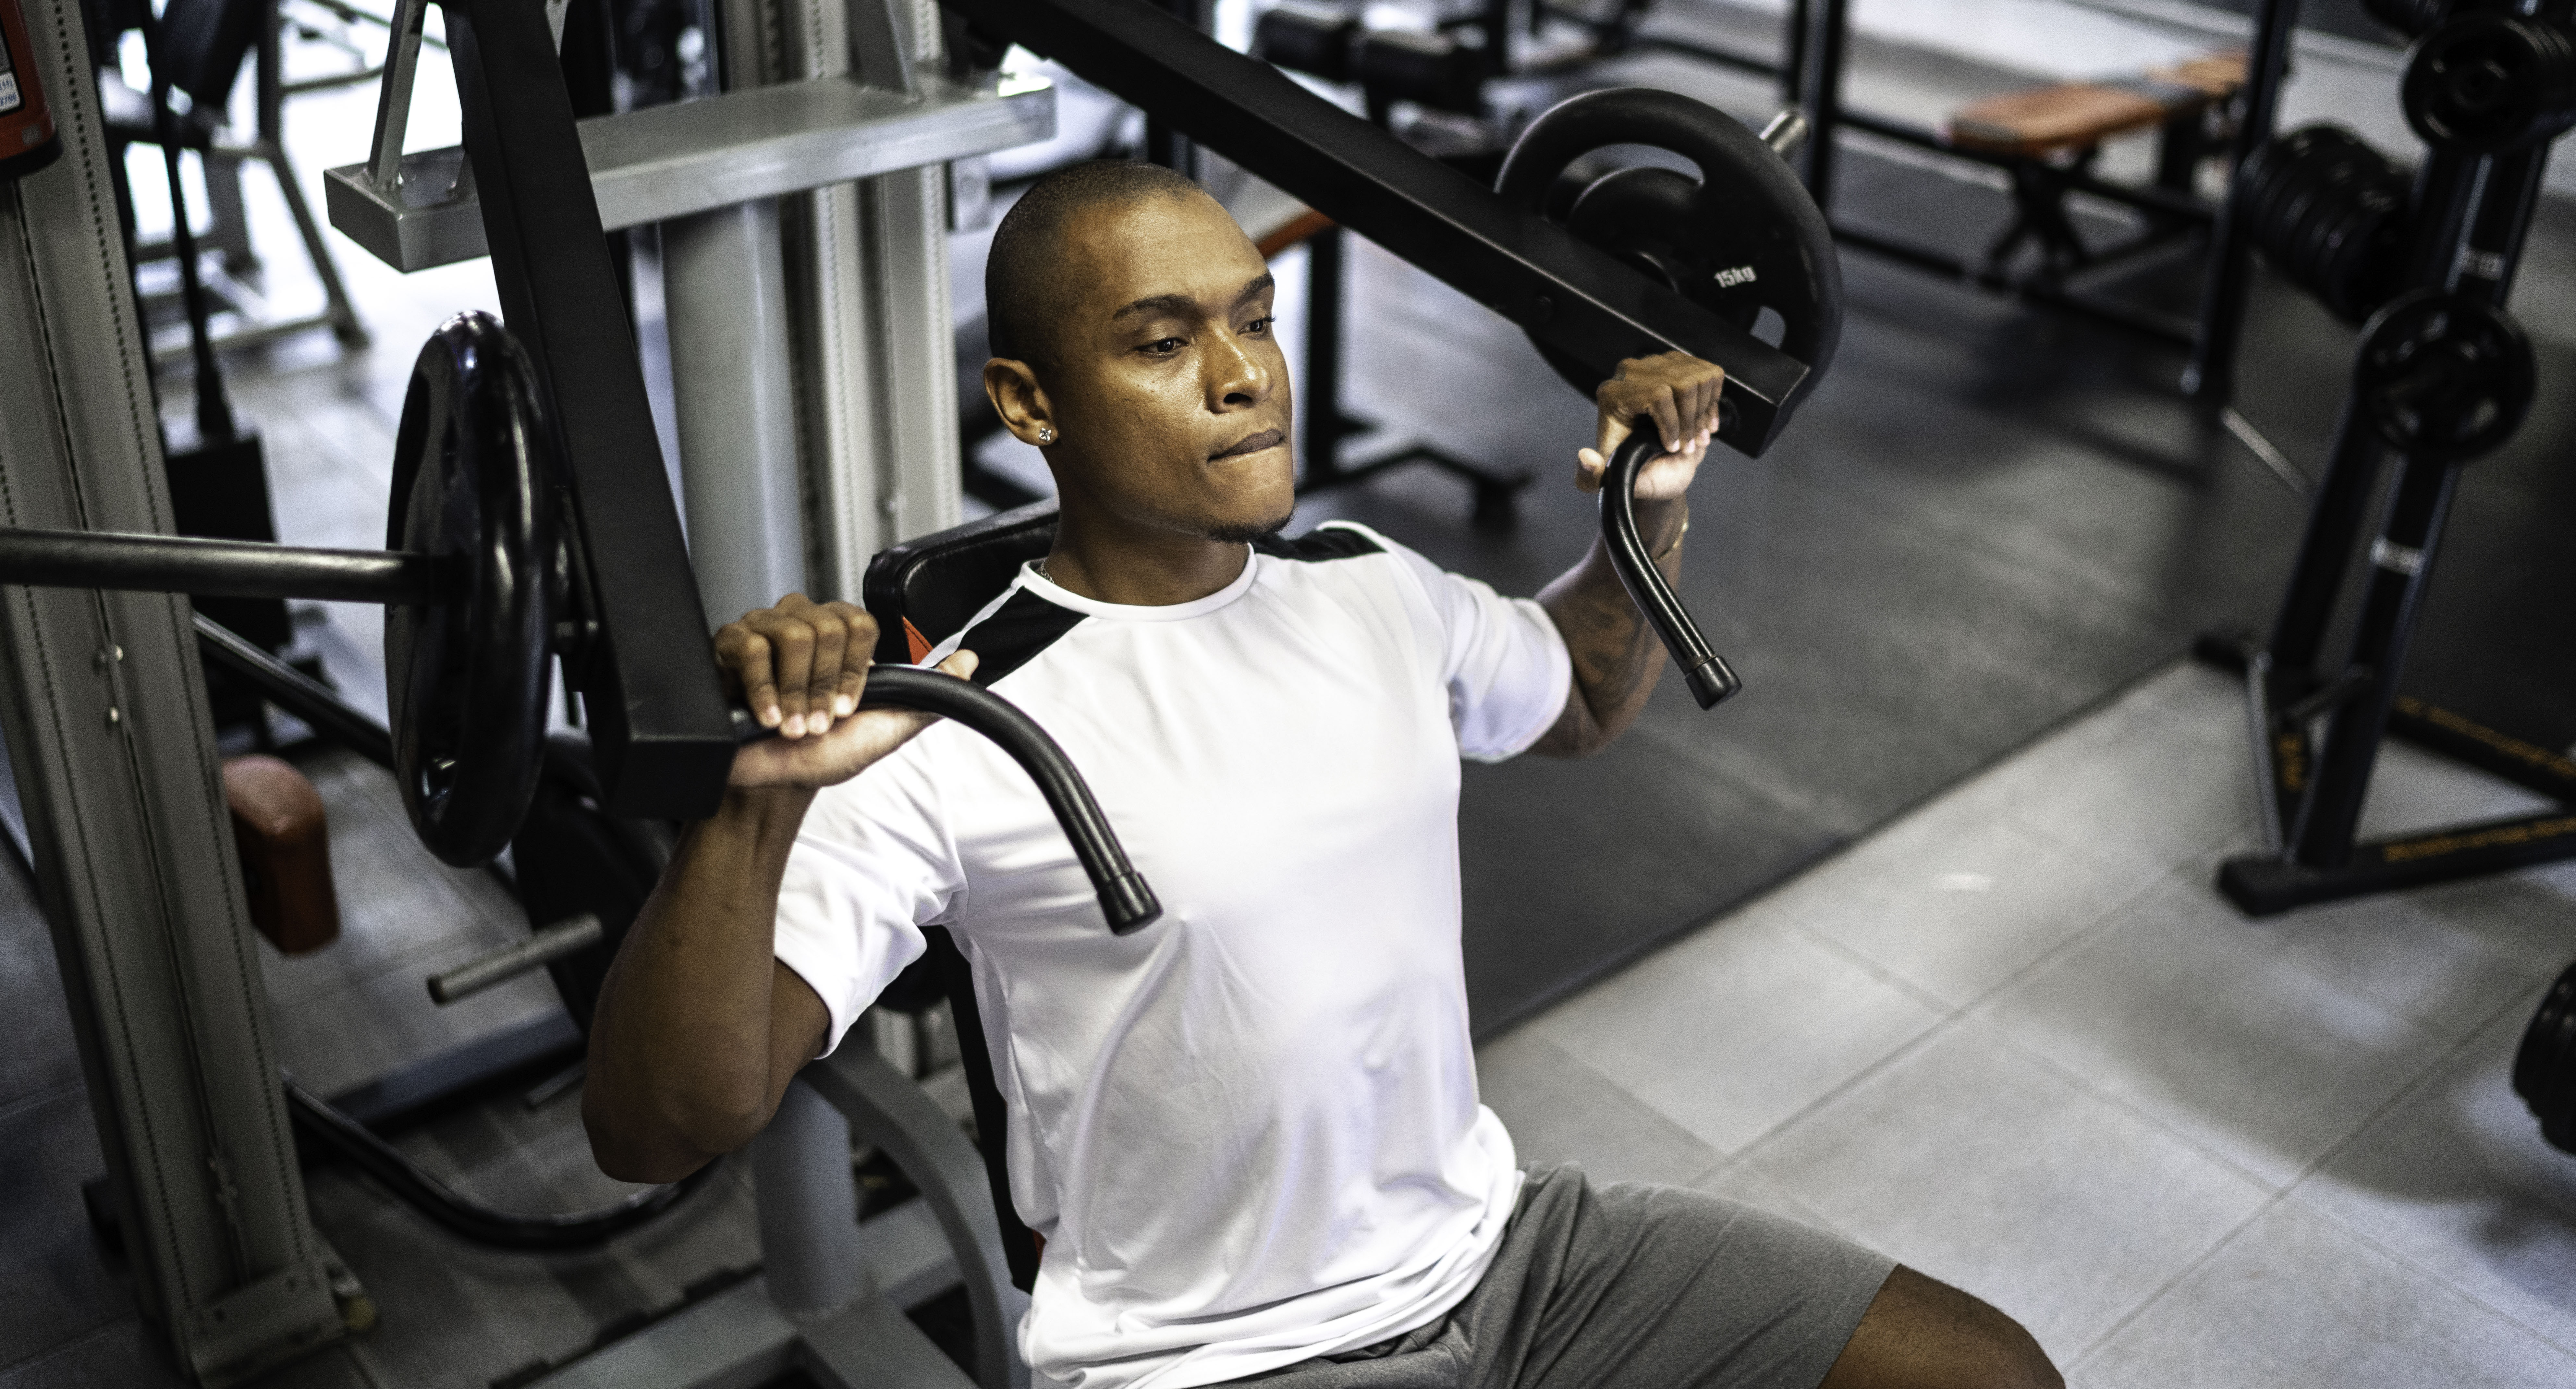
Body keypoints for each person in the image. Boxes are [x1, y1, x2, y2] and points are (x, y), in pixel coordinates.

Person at [582, 160, 2060, 1389]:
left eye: (1254, 320)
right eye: (1161, 344)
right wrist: (756, 807)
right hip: (1223, 1359)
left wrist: (1644, 511)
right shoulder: (956, 716)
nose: (1240, 380)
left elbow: (1581, 696)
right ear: (1028, 404)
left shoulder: (1365, 584)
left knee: (1984, 1374)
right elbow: (658, 1125)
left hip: (1515, 1256)